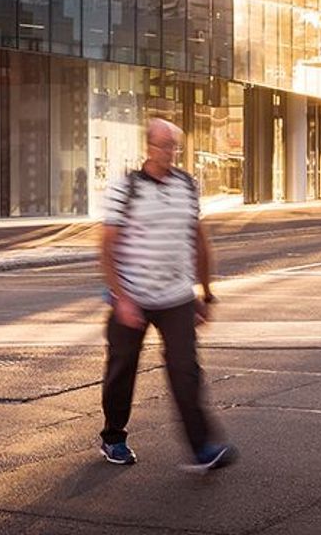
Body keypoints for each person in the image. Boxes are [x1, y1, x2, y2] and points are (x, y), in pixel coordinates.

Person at [96, 118, 234, 473]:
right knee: (121, 370)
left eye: (173, 146)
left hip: (176, 295)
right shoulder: (124, 188)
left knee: (186, 369)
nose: (169, 152)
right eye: (162, 145)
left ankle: (202, 447)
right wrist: (120, 296)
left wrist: (205, 292)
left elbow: (198, 239)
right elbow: (106, 247)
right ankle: (113, 437)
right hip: (132, 295)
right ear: (149, 147)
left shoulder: (187, 186)